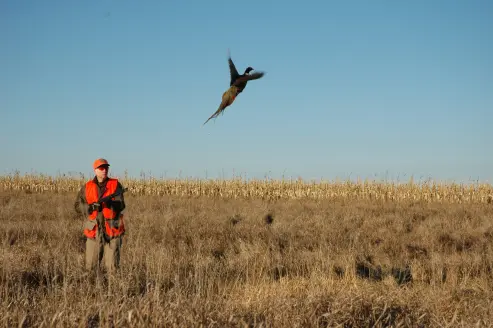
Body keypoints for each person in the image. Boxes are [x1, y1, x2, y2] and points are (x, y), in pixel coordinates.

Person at [74, 158, 126, 273]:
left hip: (112, 230)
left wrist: (110, 203)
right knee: (90, 268)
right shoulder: (87, 187)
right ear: (95, 170)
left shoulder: (116, 184)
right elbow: (77, 206)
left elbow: (121, 205)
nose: (104, 170)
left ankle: (113, 289)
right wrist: (90, 207)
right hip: (94, 231)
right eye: (101, 168)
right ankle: (92, 289)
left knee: (113, 268)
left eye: (106, 168)